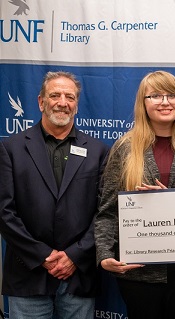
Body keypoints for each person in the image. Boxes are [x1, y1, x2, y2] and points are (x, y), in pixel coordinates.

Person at [95, 70, 175, 319]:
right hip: (140, 276)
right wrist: (105, 256)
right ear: (143, 103)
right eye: (155, 96)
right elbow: (108, 211)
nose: (165, 102)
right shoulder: (124, 149)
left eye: (171, 95)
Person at [0, 71, 109, 318]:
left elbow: (105, 212)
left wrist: (74, 255)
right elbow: (4, 211)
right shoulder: (11, 149)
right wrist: (43, 256)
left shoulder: (98, 151)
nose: (62, 102)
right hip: (28, 274)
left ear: (77, 105)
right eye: (55, 95)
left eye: (70, 97)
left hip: (77, 275)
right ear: (41, 101)